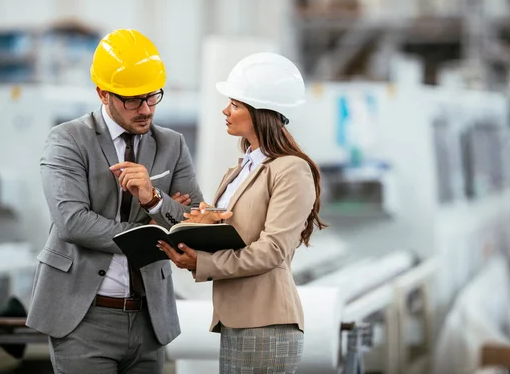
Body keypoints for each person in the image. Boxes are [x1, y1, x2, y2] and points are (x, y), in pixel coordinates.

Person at [26, 28, 203, 373]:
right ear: (102, 94)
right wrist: (151, 232)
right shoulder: (68, 140)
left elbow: (194, 219)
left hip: (150, 318)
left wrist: (154, 200)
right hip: (83, 317)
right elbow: (73, 222)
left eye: (152, 97)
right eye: (133, 100)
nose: (146, 109)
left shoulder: (172, 144)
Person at [158, 52, 327, 373]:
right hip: (237, 319)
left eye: (235, 104)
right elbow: (232, 234)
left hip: (266, 323)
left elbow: (272, 251)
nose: (225, 110)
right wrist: (178, 213)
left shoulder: (291, 170)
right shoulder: (242, 169)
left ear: (260, 112)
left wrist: (202, 262)